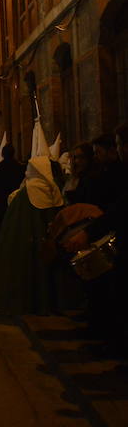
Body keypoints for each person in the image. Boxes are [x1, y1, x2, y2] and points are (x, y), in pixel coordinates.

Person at [64, 124, 128, 351]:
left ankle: (112, 339)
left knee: (111, 289)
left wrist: (89, 231)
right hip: (105, 230)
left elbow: (117, 208)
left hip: (110, 232)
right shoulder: (104, 173)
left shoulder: (111, 174)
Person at [0, 156, 64, 315]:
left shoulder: (29, 190)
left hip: (23, 239)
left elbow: (17, 215)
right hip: (41, 237)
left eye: (30, 167)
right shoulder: (50, 189)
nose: (26, 170)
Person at [0, 144, 25, 254]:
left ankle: (0, 252)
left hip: (0, 203)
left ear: (2, 154)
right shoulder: (21, 168)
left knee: (0, 229)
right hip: (16, 203)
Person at [62, 143, 106, 207]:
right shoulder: (74, 177)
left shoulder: (92, 180)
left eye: (81, 157)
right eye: (75, 157)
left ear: (89, 158)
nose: (77, 161)